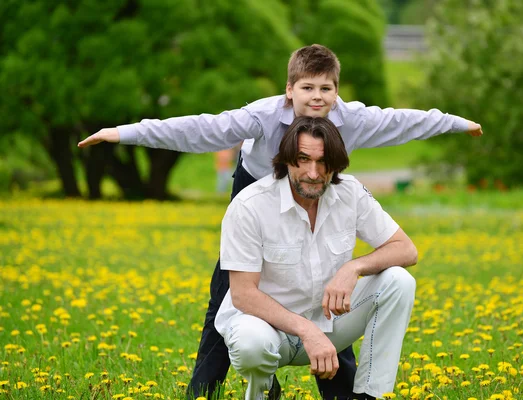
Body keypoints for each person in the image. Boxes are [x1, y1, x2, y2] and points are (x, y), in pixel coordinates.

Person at [77, 44, 482, 400]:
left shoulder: (352, 120)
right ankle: (212, 389)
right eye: (307, 88)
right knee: (231, 292)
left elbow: (403, 122)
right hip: (256, 189)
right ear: (290, 90)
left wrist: (457, 122)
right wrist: (122, 133)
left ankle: (345, 390)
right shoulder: (264, 116)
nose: (317, 97)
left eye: (326, 88)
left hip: (318, 190)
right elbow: (202, 129)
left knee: (323, 277)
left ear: (337, 91)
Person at [216, 115, 417, 400]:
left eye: (323, 162)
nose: (313, 172)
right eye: (303, 159)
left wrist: (354, 267)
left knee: (399, 281)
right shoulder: (249, 205)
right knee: (251, 345)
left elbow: (406, 249)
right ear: (286, 160)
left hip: (330, 324)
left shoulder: (350, 192)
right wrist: (307, 331)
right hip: (268, 329)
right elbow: (243, 295)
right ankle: (264, 389)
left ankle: (371, 395)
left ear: (335, 165)